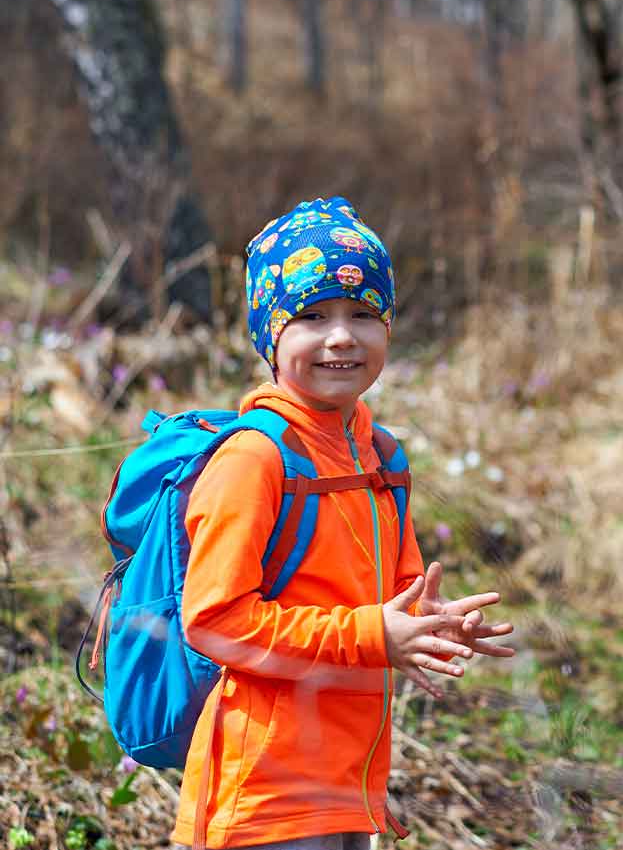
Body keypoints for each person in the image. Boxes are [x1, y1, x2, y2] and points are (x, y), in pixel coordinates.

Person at [169, 197, 515, 850]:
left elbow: (393, 600)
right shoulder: (254, 458)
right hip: (263, 793)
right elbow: (213, 619)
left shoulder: (380, 454)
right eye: (310, 315)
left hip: (352, 781)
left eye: (364, 313)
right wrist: (371, 632)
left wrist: (432, 625)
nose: (341, 335)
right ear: (270, 337)